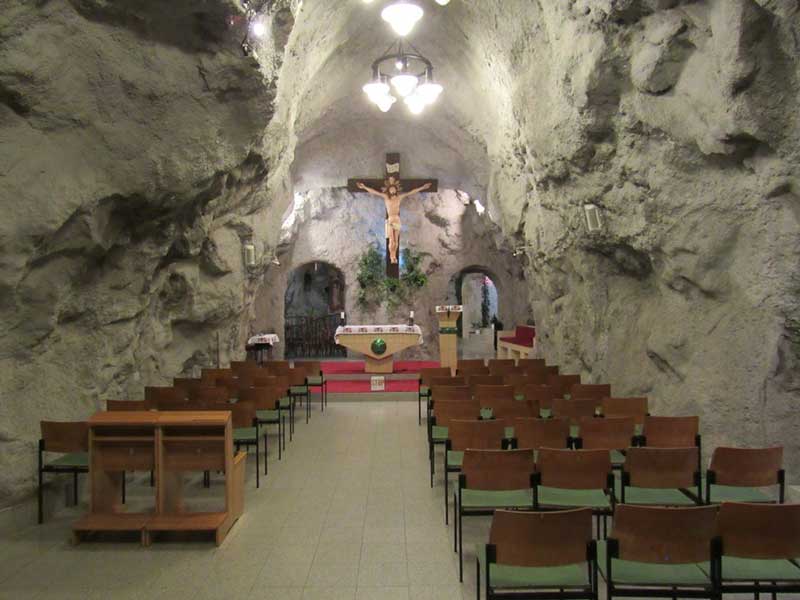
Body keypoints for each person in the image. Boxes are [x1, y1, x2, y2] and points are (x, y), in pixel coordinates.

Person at [356, 177, 432, 264]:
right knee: (391, 240)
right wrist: (364, 187)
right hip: (390, 219)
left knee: (396, 241)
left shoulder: (399, 197)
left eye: (393, 188)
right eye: (390, 189)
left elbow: (411, 192)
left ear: (396, 189)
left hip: (397, 219)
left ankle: (394, 256)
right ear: (388, 190)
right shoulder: (385, 197)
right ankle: (391, 257)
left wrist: (423, 187)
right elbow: (374, 192)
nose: (392, 190)